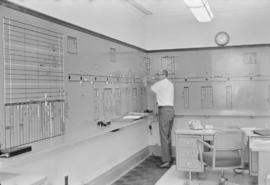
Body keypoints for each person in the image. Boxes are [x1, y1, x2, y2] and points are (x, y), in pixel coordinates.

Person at [144, 69, 175, 168]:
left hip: (164, 111)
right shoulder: (169, 84)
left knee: (163, 136)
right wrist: (152, 80)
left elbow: (149, 91)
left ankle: (166, 161)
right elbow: (159, 88)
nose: (157, 75)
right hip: (170, 110)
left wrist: (145, 82)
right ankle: (169, 158)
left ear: (164, 75)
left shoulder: (160, 84)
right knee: (167, 136)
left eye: (159, 74)